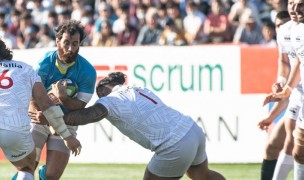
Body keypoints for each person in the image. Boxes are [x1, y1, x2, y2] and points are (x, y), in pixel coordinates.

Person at [59, 71, 225, 180]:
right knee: (202, 175)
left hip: (173, 144)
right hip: (191, 129)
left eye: (99, 92)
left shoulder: (110, 99)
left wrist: (57, 117)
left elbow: (89, 115)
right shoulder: (137, 88)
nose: (99, 96)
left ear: (105, 87)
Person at [0, 38, 81, 180]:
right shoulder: (26, 68)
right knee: (26, 167)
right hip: (12, 127)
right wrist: (66, 135)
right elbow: (46, 105)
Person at [28, 20, 97, 180]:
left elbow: (79, 106)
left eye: (75, 43)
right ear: (58, 41)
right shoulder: (43, 64)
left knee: (52, 176)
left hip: (66, 121)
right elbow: (32, 97)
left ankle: (44, 173)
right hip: (39, 118)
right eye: (66, 43)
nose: (71, 48)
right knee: (27, 168)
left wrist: (64, 98)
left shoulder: (88, 72)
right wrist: (37, 113)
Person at [264, 0, 304, 179]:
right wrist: (285, 86)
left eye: (300, 4)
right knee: (294, 146)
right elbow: (295, 62)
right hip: (299, 92)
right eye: (291, 3)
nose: (294, 9)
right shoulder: (292, 31)